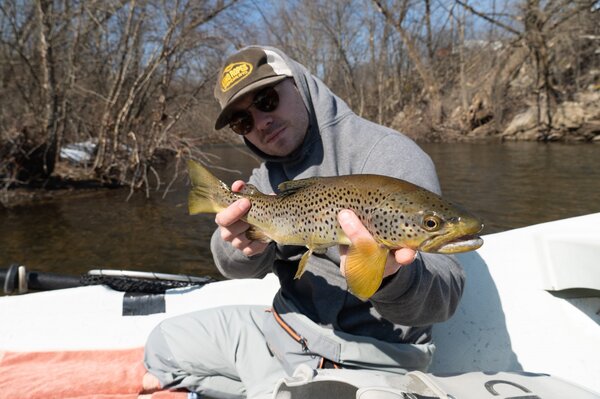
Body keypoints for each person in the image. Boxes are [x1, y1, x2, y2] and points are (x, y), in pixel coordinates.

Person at [143, 46, 465, 399]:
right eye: (243, 121)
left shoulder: (387, 155)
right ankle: (263, 385)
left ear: (299, 83)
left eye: (266, 100)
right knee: (161, 346)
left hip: (368, 360)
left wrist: (394, 277)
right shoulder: (265, 179)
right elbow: (231, 263)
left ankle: (263, 388)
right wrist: (240, 247)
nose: (261, 122)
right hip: (282, 330)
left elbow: (444, 297)